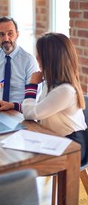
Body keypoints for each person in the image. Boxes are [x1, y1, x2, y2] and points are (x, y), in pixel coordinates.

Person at [21, 32, 88, 167]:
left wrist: (32, 85)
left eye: (39, 54)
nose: (37, 58)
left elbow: (29, 113)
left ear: (49, 59)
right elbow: (39, 108)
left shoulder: (65, 91)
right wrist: (13, 106)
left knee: (21, 156)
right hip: (56, 138)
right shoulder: (50, 82)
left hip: (73, 146)